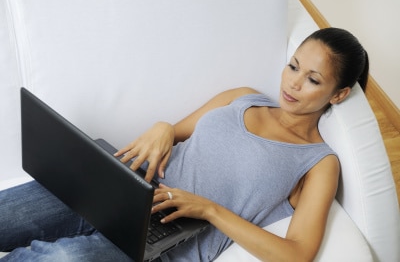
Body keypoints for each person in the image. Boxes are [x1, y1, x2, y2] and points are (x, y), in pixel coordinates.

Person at [0, 27, 369, 261]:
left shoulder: (319, 163)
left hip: (165, 245)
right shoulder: (243, 97)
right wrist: (164, 127)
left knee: (61, 258)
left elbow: (298, 254)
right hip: (124, 188)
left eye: (313, 79)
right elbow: (176, 133)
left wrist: (210, 210)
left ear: (338, 95)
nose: (292, 83)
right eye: (293, 66)